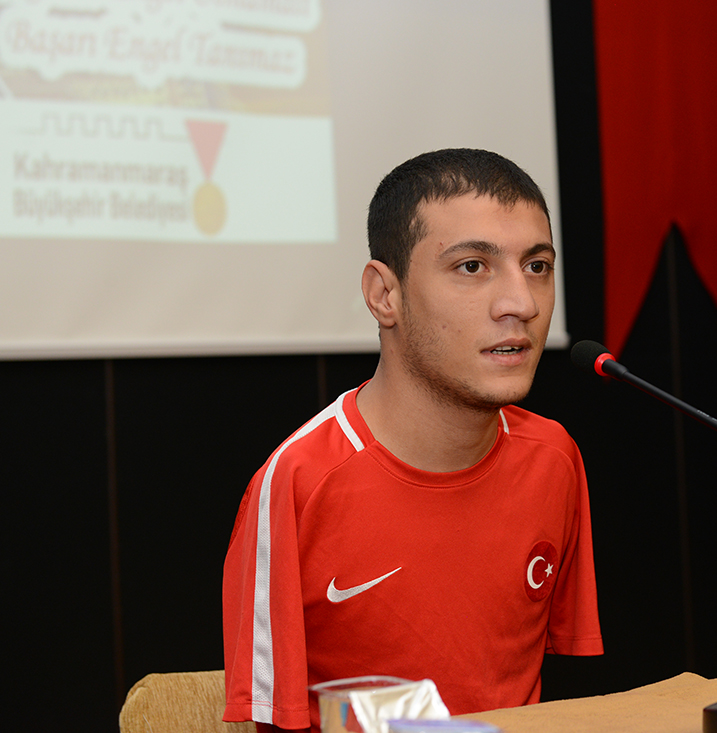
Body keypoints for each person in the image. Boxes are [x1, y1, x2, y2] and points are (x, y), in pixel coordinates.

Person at [222, 148, 603, 733]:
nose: (522, 304)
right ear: (385, 295)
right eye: (472, 266)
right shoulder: (298, 485)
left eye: (537, 266)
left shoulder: (554, 458)